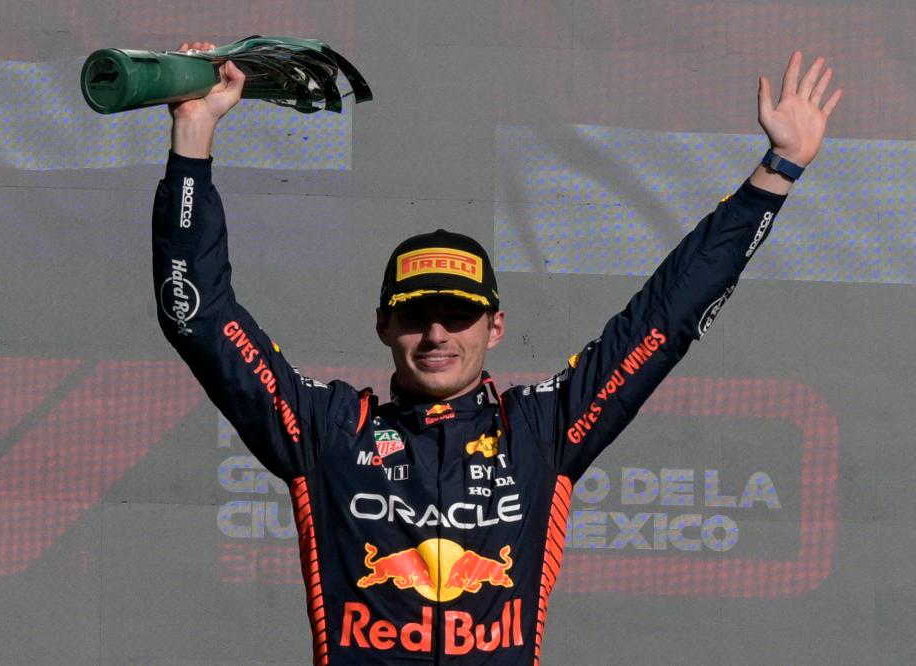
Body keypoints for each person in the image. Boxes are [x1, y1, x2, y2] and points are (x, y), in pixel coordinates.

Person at [153, 43, 841, 665]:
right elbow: (196, 315)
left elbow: (665, 319)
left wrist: (775, 174)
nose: (437, 336)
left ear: (496, 327)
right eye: (417, 317)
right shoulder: (329, 432)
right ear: (384, 327)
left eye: (457, 316)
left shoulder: (541, 431)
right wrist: (193, 135)